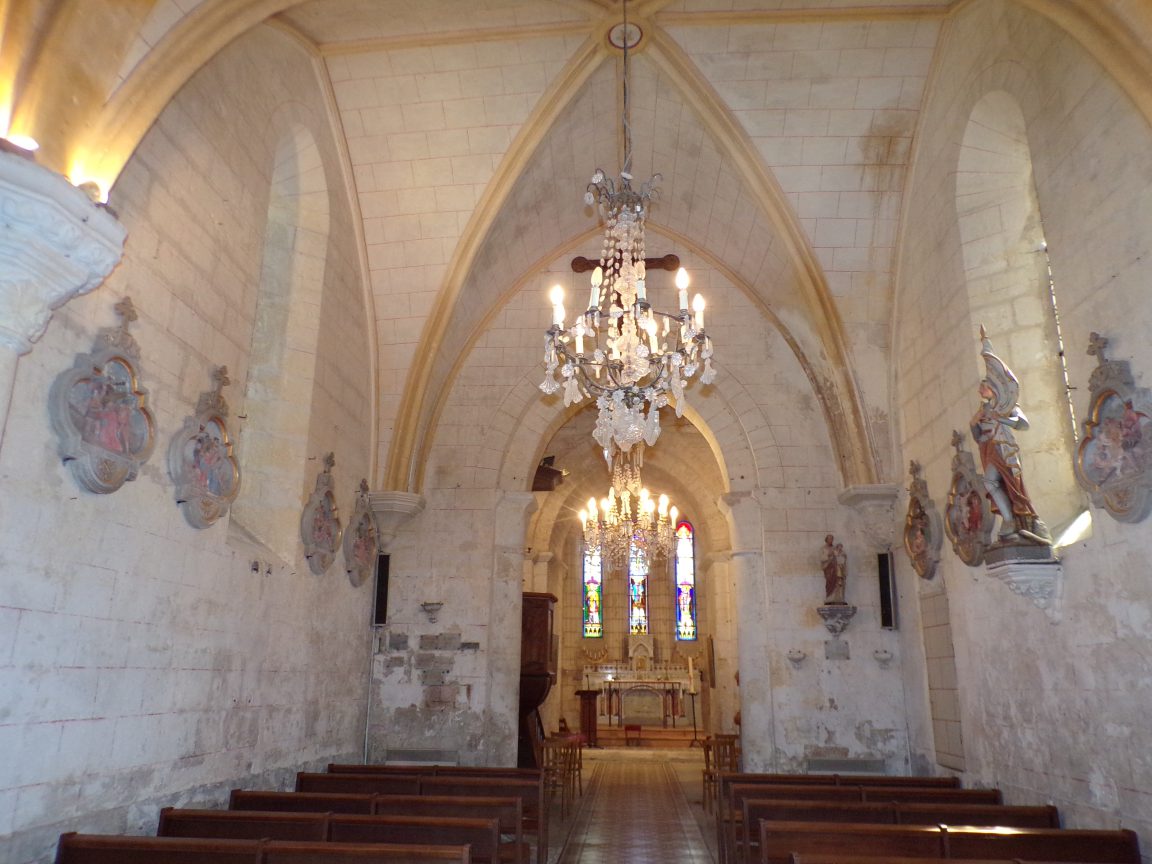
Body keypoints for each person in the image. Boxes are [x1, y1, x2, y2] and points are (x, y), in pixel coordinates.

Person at [969, 328, 1049, 544]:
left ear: (993, 387)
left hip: (1005, 449)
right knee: (992, 483)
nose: (980, 391)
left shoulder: (1007, 406)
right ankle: (1009, 520)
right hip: (989, 449)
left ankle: (1019, 521)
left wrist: (1001, 419)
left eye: (983, 387)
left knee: (1009, 485)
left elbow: (1023, 424)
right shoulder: (983, 410)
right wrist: (974, 423)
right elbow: (978, 436)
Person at [820, 534, 846, 604]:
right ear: (826, 540)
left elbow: (839, 555)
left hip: (835, 567)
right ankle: (829, 598)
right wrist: (829, 555)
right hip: (828, 568)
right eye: (829, 539)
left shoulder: (835, 548)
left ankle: (836, 598)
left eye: (832, 539)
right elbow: (822, 558)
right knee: (829, 583)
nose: (831, 540)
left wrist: (841, 554)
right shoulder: (823, 548)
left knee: (837, 582)